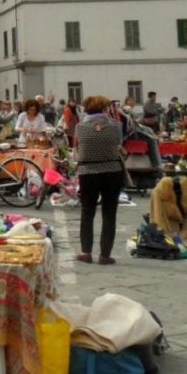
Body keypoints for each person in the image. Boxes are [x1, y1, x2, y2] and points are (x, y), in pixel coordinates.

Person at [74, 95, 125, 265]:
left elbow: (77, 146)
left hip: (87, 172)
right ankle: (105, 255)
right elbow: (119, 144)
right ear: (104, 108)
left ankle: (86, 252)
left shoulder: (80, 127)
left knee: (87, 212)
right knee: (109, 213)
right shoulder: (115, 126)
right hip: (112, 171)